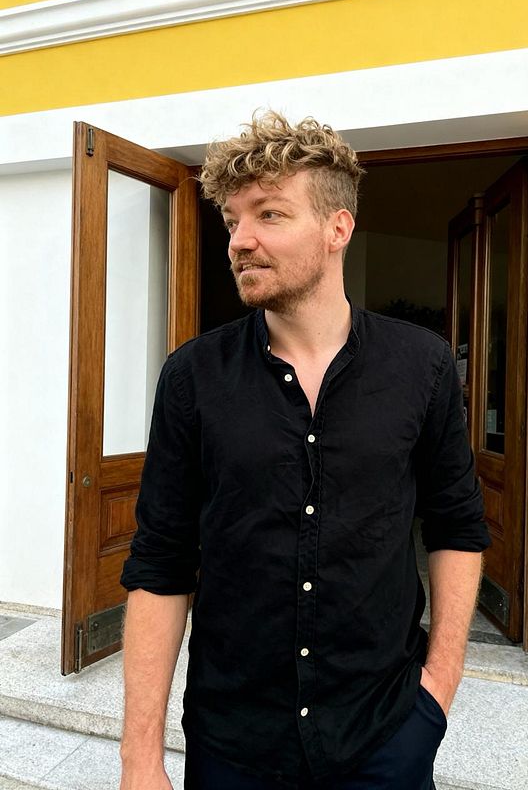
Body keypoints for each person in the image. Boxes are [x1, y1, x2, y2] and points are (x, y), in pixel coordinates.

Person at [119, 112, 490, 790]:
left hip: (384, 736)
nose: (241, 240)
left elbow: (456, 526)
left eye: (269, 214)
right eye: (233, 220)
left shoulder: (423, 366)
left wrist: (439, 687)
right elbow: (161, 562)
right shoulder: (193, 376)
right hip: (233, 745)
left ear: (337, 228)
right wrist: (139, 758)